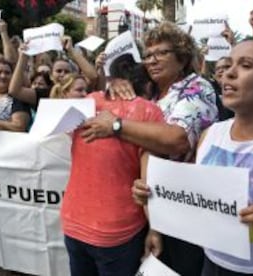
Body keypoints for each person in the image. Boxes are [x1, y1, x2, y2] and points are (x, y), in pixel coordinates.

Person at [133, 36, 253, 275]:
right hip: (211, 265)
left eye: (246, 65)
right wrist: (156, 196)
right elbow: (198, 203)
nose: (228, 74)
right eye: (228, 65)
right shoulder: (209, 136)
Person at [81, 21, 218, 275]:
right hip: (148, 207)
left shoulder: (197, 88)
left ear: (183, 57)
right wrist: (115, 86)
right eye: (147, 55)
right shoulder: (150, 92)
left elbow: (177, 139)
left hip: (184, 209)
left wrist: (118, 125)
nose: (152, 60)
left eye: (161, 53)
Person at [60, 54, 164, 276]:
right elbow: (148, 184)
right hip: (118, 230)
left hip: (73, 221)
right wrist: (155, 230)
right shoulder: (149, 112)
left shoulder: (87, 102)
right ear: (147, 84)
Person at [9, 36, 98, 110]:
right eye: (59, 71)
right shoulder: (44, 94)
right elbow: (14, 91)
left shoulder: (81, 90)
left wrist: (71, 50)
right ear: (51, 75)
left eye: (67, 71)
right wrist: (23, 57)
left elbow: (93, 76)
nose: (62, 74)